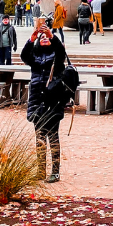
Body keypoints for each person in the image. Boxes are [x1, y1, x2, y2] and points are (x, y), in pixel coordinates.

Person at [21, 21, 69, 182]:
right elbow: (24, 56)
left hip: (53, 100)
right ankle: (41, 170)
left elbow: (61, 51)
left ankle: (55, 171)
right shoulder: (34, 57)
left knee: (53, 136)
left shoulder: (56, 56)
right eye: (41, 38)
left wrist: (51, 36)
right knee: (39, 137)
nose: (44, 39)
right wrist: (32, 37)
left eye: (46, 37)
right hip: (37, 100)